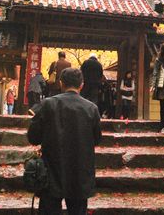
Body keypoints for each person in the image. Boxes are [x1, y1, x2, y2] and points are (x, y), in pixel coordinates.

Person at [27, 68, 101, 215]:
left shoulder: (47, 104)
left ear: (61, 83)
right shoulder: (92, 108)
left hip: (52, 170)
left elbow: (33, 137)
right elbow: (97, 139)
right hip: (80, 172)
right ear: (82, 84)